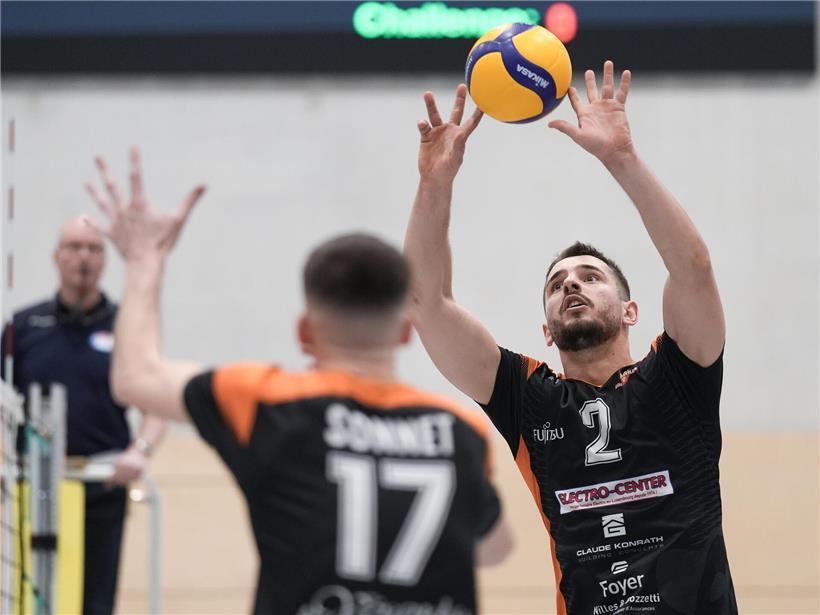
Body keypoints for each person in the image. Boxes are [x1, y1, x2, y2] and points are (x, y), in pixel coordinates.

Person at [85, 148, 510, 614]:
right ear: (405, 331)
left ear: (304, 332)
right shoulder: (461, 431)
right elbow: (496, 548)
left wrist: (146, 260)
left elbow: (134, 377)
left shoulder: (266, 402)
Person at [404, 61, 737, 614]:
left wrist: (621, 158)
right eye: (558, 285)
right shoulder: (529, 398)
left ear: (631, 311)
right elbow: (425, 303)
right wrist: (434, 183)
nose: (572, 286)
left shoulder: (679, 378)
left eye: (590, 277)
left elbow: (694, 269)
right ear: (547, 328)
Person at [1, 214, 167, 615]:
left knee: (95, 601)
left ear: (105, 260)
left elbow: (156, 405)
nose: (83, 258)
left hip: (102, 486)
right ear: (57, 256)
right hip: (34, 486)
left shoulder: (128, 328)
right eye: (74, 247)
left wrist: (140, 451)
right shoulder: (22, 327)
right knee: (33, 595)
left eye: (94, 248)